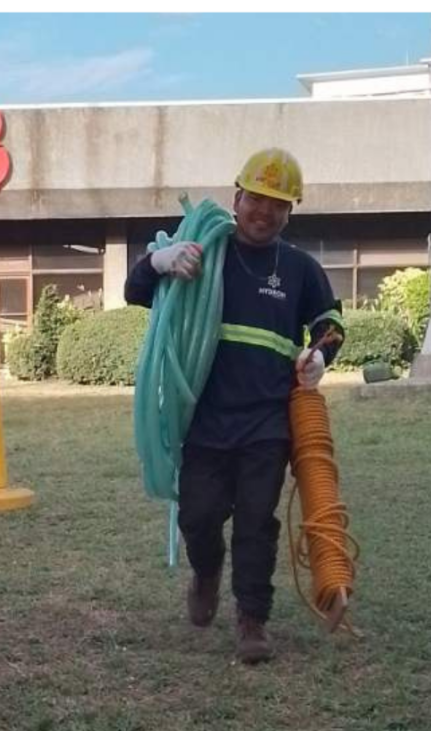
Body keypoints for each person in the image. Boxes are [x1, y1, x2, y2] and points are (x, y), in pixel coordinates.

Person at [125, 148, 344, 665]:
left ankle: (252, 619)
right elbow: (135, 289)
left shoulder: (298, 269)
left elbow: (331, 324)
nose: (264, 213)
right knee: (199, 517)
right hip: (203, 416)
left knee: (254, 520)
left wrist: (320, 355)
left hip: (267, 422)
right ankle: (206, 571)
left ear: (290, 212)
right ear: (237, 197)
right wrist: (161, 260)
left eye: (278, 205)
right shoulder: (202, 255)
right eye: (256, 200)